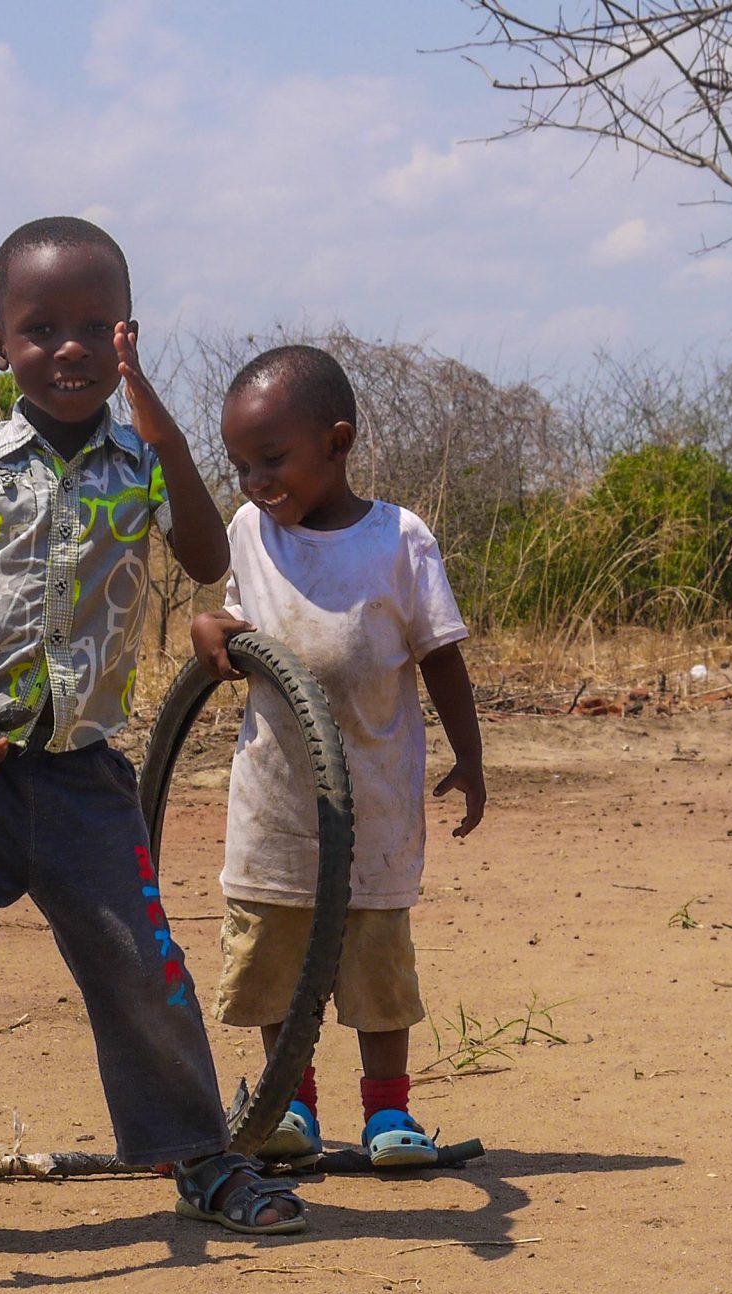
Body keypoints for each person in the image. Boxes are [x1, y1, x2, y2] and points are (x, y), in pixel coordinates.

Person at [0, 217, 307, 1253]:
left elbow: (199, 551)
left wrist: (169, 433)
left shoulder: (139, 464)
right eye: (40, 327)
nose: (68, 348)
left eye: (94, 327)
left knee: (142, 965)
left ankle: (198, 1154)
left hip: (83, 776)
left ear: (127, 340)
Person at [189, 344, 487, 1169]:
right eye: (241, 464)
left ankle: (388, 1114)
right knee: (274, 952)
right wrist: (207, 629)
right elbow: (231, 625)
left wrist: (470, 755)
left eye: (274, 459)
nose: (256, 481)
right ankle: (291, 1107)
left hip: (374, 798)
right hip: (276, 801)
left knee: (374, 956)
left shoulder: (399, 538)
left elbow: (441, 656)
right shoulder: (251, 533)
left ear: (338, 441)